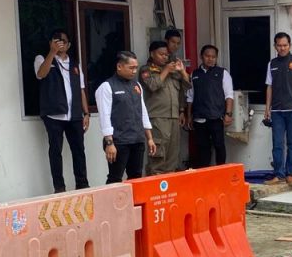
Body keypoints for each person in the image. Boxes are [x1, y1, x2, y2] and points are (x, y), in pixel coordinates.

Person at [34, 29, 89, 193]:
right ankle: (59, 187)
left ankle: (82, 184)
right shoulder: (42, 59)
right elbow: (40, 74)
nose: (60, 43)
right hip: (53, 114)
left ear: (69, 44)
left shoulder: (75, 64)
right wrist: (52, 52)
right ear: (51, 42)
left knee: (78, 149)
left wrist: (86, 113)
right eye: (56, 40)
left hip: (74, 114)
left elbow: (81, 90)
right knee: (55, 150)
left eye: (63, 41)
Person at [96, 51, 156, 183]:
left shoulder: (137, 85)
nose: (134, 71)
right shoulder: (106, 87)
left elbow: (143, 112)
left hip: (137, 139)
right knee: (115, 178)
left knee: (136, 177)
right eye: (131, 68)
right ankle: (109, 204)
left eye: (136, 68)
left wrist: (150, 138)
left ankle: (133, 204)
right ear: (119, 67)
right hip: (119, 141)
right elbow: (104, 117)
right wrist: (109, 143)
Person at [263, 33, 292, 186]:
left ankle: (289, 173)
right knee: (277, 144)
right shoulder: (272, 63)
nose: (282, 48)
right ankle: (279, 174)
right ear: (275, 46)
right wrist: (267, 108)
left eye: (285, 45)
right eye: (279, 45)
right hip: (276, 111)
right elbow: (269, 87)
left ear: (289, 45)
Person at [140, 40, 188, 176]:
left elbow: (187, 87)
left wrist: (182, 72)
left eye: (166, 55)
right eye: (161, 54)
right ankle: (154, 192)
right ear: (152, 54)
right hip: (157, 118)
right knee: (158, 157)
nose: (165, 57)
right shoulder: (146, 70)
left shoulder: (173, 71)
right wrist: (166, 70)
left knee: (173, 156)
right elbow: (153, 86)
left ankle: (169, 193)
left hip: (174, 118)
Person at [187, 45, 234, 168]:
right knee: (203, 148)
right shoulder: (194, 74)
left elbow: (229, 95)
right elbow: (190, 97)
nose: (210, 59)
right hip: (199, 118)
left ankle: (220, 173)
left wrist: (228, 114)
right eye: (207, 56)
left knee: (219, 146)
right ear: (201, 57)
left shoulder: (222, 73)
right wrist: (189, 116)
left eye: (213, 57)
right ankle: (204, 176)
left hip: (216, 117)